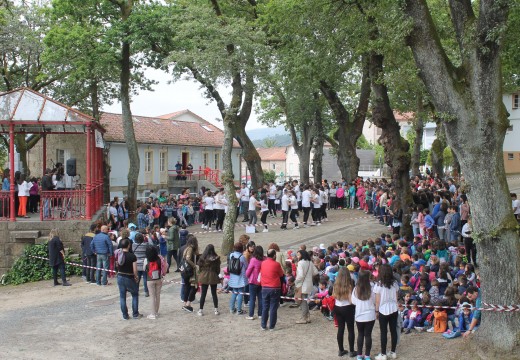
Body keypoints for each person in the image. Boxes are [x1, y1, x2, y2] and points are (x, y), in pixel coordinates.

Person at [374, 264, 399, 360]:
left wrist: (376, 311)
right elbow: (396, 298)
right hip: (393, 309)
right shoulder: (395, 283)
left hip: (383, 310)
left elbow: (377, 301)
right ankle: (393, 352)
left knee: (383, 332)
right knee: (393, 331)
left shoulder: (378, 284)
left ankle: (383, 354)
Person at [352, 270, 376, 360]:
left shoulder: (355, 289)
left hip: (359, 315)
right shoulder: (372, 287)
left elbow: (353, 301)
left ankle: (359, 355)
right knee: (368, 335)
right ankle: (367, 355)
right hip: (370, 314)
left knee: (360, 334)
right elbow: (374, 300)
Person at [115, 238, 141, 319]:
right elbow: (135, 270)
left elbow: (116, 265)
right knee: (135, 295)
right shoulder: (132, 256)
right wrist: (136, 277)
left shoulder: (118, 254)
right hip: (129, 276)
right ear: (129, 245)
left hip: (120, 276)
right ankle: (135, 314)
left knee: (122, 297)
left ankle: (125, 315)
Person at [333, 267, 356, 358]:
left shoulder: (335, 284)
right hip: (347, 308)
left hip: (338, 307)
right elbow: (351, 301)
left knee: (340, 329)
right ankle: (351, 351)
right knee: (350, 330)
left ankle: (341, 350)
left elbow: (334, 296)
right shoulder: (349, 285)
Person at [260, 248, 284, 331]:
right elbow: (281, 274)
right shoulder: (276, 264)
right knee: (273, 307)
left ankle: (263, 325)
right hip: (274, 287)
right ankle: (272, 326)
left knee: (265, 307)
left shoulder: (263, 263)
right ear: (274, 255)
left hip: (264, 287)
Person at [294, 249, 318, 324]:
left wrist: (296, 281)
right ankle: (307, 316)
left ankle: (304, 318)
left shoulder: (300, 263)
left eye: (298, 255)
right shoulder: (310, 262)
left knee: (302, 301)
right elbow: (315, 272)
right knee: (304, 300)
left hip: (302, 284)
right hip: (308, 284)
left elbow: (300, 275)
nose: (297, 256)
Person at [197, 244, 221, 316]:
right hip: (213, 275)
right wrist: (216, 273)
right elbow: (218, 269)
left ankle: (201, 310)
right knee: (214, 294)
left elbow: (200, 267)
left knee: (203, 294)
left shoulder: (202, 258)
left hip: (204, 276)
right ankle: (216, 310)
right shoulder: (216, 258)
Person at [143, 245, 165, 319]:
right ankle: (156, 312)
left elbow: (144, 269)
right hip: (159, 279)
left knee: (152, 297)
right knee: (157, 296)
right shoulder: (160, 258)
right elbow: (164, 267)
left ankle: (153, 314)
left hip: (150, 279)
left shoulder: (146, 260)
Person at [228, 242, 248, 314]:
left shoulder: (231, 255)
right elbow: (246, 266)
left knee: (234, 292)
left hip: (233, 277)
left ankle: (232, 308)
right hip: (240, 278)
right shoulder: (242, 257)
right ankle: (239, 310)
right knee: (240, 293)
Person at [245, 245, 264, 320]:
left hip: (253, 281)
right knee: (260, 298)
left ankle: (251, 315)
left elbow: (248, 271)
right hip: (261, 281)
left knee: (252, 298)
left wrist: (247, 276)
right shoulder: (264, 260)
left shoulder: (253, 260)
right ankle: (260, 314)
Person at [181, 236, 199, 312]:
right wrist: (194, 265)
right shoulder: (191, 249)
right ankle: (188, 303)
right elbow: (188, 258)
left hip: (185, 271)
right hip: (190, 271)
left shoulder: (186, 248)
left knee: (187, 287)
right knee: (194, 287)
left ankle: (185, 303)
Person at [132, 233, 149, 297]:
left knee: (137, 279)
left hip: (136, 264)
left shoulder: (133, 245)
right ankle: (146, 291)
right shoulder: (146, 245)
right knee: (145, 278)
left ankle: (136, 291)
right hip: (144, 264)